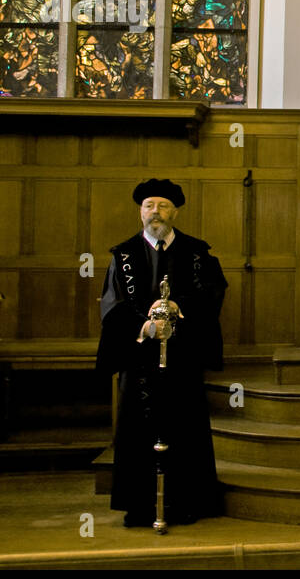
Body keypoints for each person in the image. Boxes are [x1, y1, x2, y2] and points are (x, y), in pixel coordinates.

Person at [96, 178, 227, 527]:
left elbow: (213, 293)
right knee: (137, 429)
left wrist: (177, 310)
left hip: (182, 357)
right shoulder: (122, 255)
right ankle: (139, 505)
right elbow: (112, 307)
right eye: (149, 205)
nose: (156, 211)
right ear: (140, 212)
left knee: (185, 427)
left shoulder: (198, 253)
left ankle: (188, 501)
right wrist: (146, 327)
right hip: (138, 358)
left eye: (163, 206)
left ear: (175, 212)